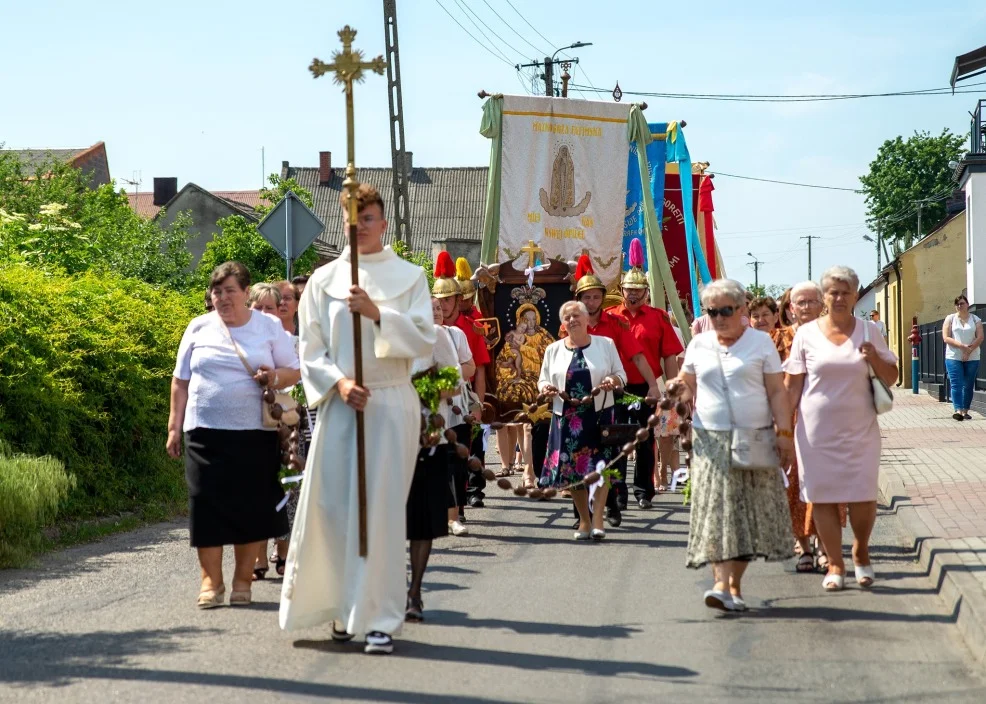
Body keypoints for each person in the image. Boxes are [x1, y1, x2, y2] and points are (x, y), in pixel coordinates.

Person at [278, 184, 435, 655]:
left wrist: (378, 312)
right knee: (333, 509)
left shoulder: (409, 277)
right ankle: (342, 610)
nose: (360, 226)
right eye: (352, 218)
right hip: (341, 405)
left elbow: (425, 341)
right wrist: (340, 384)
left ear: (383, 223)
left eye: (368, 218)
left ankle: (381, 619)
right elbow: (310, 349)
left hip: (388, 403)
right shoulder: (324, 280)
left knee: (381, 512)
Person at [167, 261, 301, 609]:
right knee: (205, 504)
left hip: (254, 433)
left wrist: (273, 377)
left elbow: (294, 372)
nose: (223, 297)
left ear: (245, 292)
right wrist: (174, 427)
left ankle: (243, 580)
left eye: (230, 291)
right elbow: (180, 381)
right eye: (217, 291)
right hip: (203, 431)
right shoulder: (198, 327)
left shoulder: (268, 327)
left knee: (250, 507)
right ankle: (211, 581)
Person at [676, 278, 795, 612]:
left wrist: (784, 436)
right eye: (712, 312)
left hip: (752, 438)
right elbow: (687, 385)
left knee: (744, 515)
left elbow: (776, 392)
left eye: (726, 310)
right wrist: (677, 393)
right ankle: (720, 584)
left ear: (742, 309)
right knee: (716, 512)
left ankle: (733, 586)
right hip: (709, 440)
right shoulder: (699, 344)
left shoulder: (760, 344)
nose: (719, 318)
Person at [784, 266, 898, 591]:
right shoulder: (805, 335)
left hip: (860, 431)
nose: (839, 297)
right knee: (821, 497)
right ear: (824, 297)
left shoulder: (868, 331)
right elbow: (792, 387)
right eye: (833, 291)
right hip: (814, 434)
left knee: (863, 494)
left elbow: (891, 378)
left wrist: (874, 357)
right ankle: (835, 563)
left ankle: (861, 551)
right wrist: (780, 430)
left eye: (846, 291)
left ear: (855, 294)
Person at [565, 254, 659, 524]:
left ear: (602, 298)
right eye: (586, 298)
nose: (591, 303)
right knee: (579, 454)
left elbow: (637, 357)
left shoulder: (615, 325)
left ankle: (613, 504)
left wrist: (653, 385)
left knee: (609, 452)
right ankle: (582, 513)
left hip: (609, 398)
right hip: (578, 402)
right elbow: (559, 359)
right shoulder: (568, 325)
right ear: (579, 300)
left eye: (596, 297)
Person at [538, 300, 626, 541]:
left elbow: (621, 375)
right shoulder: (552, 349)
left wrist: (612, 381)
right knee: (571, 470)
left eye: (577, 315)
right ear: (562, 324)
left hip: (599, 414)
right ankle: (584, 521)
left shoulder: (605, 344)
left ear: (587, 319)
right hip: (566, 417)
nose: (572, 320)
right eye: (567, 317)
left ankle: (598, 518)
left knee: (602, 467)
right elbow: (543, 379)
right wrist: (547, 387)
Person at [405, 297, 466, 621]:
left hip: (429, 436)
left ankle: (414, 592)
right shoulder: (385, 332)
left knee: (422, 521)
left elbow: (454, 382)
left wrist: (414, 388)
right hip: (390, 438)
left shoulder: (437, 337)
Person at [610, 243, 683, 507]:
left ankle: (644, 491)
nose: (632, 294)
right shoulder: (611, 317)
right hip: (616, 387)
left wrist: (671, 391)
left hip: (647, 388)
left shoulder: (659, 317)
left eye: (637, 290)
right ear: (622, 291)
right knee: (615, 440)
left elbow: (670, 356)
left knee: (645, 440)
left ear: (646, 292)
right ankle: (616, 492)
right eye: (628, 289)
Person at [435, 252, 491, 510]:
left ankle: (474, 489)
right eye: (439, 300)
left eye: (448, 299)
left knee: (471, 444)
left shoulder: (470, 326)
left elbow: (478, 368)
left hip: (465, 395)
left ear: (458, 299)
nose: (444, 305)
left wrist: (478, 403)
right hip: (436, 398)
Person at [943, 294, 983, 421]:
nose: (960, 306)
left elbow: (980, 337)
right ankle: (958, 411)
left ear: (967, 304)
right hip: (953, 356)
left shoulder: (976, 319)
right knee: (956, 384)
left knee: (968, 384)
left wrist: (968, 350)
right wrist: (961, 346)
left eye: (962, 303)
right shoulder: (950, 319)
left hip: (973, 356)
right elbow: (946, 337)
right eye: (957, 304)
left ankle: (965, 410)